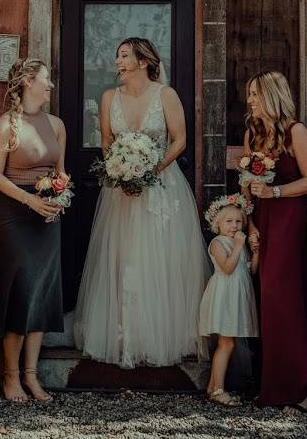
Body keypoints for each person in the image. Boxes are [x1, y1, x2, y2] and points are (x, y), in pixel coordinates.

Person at [74, 37, 210, 368]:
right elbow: (107, 141)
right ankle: (125, 335)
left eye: (124, 56)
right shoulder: (109, 97)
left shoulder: (165, 95)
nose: (117, 62)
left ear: (143, 62)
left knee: (161, 256)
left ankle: (163, 335)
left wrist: (151, 171)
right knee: (124, 256)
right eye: (117, 56)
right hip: (121, 190)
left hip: (162, 186)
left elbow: (179, 140)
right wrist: (120, 172)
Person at [0, 58, 67, 403]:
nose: (50, 86)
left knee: (43, 293)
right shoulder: (7, 125)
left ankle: (33, 376)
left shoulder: (57, 124)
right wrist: (30, 201)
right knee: (21, 291)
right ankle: (10, 376)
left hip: (47, 215)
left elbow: (61, 172)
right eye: (46, 79)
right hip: (15, 215)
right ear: (28, 82)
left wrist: (60, 198)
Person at [243, 71, 307, 411]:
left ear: (273, 96)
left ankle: (303, 384)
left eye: (256, 95)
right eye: (249, 95)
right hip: (263, 220)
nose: (251, 101)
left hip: (290, 220)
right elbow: (245, 187)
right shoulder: (253, 134)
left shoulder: (295, 132)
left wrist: (275, 191)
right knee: (267, 298)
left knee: (283, 296)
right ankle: (275, 385)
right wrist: (249, 226)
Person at [199, 194, 259, 407]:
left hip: (237, 296)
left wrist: (255, 251)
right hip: (224, 297)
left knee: (228, 343)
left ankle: (212, 388)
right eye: (229, 221)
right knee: (226, 343)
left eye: (238, 221)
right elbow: (227, 267)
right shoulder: (218, 242)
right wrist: (237, 245)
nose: (234, 226)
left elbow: (250, 269)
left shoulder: (238, 243)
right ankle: (217, 390)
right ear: (218, 224)